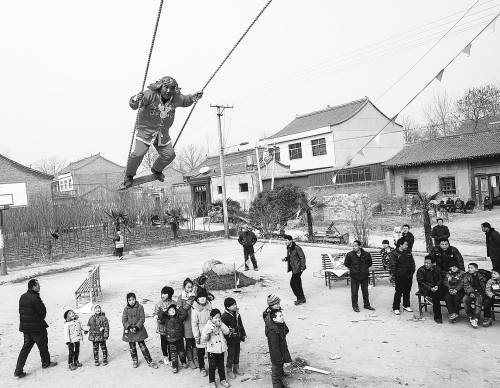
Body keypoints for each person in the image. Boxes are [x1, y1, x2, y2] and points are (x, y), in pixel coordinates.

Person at [124, 76, 203, 188]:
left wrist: (194, 97)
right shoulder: (150, 94)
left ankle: (157, 170)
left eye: (171, 88)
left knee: (169, 155)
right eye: (166, 87)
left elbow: (185, 100)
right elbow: (134, 105)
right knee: (138, 153)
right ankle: (129, 176)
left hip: (162, 133)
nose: (168, 91)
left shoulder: (175, 98)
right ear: (160, 86)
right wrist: (136, 98)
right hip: (146, 130)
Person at [14, 279, 57, 378]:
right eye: (38, 285)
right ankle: (46, 363)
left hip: (26, 328)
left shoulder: (22, 296)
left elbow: (22, 312)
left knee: (25, 349)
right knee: (43, 345)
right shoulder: (35, 298)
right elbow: (42, 312)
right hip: (37, 327)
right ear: (33, 286)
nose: (39, 287)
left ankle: (18, 370)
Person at [122, 292, 158, 368]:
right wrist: (129, 327)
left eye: (133, 299)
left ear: (135, 299)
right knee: (132, 347)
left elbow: (142, 318)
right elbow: (124, 320)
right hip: (129, 331)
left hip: (139, 330)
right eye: (130, 300)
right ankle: (135, 360)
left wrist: (136, 327)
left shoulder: (140, 307)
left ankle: (149, 361)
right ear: (127, 301)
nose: (132, 301)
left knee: (143, 346)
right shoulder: (126, 309)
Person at [202, 309, 231, 388]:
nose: (218, 319)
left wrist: (221, 324)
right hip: (212, 350)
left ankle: (223, 379)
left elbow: (227, 332)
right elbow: (204, 339)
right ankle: (212, 381)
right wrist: (208, 332)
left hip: (221, 349)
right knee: (212, 366)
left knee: (221, 365)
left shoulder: (221, 324)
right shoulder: (208, 326)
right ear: (211, 318)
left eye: (219, 317)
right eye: (216, 317)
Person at [344, 240, 375, 312]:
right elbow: (346, 264)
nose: (354, 247)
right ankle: (355, 306)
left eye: (355, 246)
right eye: (353, 246)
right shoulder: (349, 254)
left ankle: (367, 305)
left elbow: (370, 263)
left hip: (364, 276)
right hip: (354, 276)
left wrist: (364, 268)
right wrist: (353, 269)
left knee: (365, 292)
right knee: (354, 292)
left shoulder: (366, 254)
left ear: (360, 246)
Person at [265, 309, 292, 388]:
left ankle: (281, 386)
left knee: (279, 373)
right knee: (276, 375)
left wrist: (283, 323)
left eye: (282, 315)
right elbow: (275, 348)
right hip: (277, 357)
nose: (282, 317)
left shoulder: (279, 325)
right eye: (280, 316)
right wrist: (279, 359)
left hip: (281, 354)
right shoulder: (273, 331)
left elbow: (286, 331)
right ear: (274, 319)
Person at [158, 304, 188, 373]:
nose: (172, 311)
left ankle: (183, 362)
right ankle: (175, 366)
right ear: (167, 312)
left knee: (182, 352)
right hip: (170, 340)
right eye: (170, 310)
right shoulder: (166, 319)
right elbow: (160, 317)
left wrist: (180, 307)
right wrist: (163, 311)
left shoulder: (179, 317)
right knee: (173, 354)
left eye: (173, 310)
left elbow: (185, 314)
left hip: (179, 338)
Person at [221, 297, 247, 379]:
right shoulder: (224, 317)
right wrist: (227, 337)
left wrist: (243, 334)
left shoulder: (237, 314)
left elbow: (240, 325)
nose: (235, 306)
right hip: (230, 340)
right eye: (232, 305)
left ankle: (236, 368)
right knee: (231, 355)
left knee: (237, 353)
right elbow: (223, 330)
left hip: (238, 338)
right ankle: (229, 370)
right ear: (227, 307)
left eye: (235, 304)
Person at [389, 238, 415, 315]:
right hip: (399, 276)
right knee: (399, 292)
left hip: (408, 276)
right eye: (406, 244)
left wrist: (411, 273)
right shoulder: (394, 253)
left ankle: (406, 305)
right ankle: (396, 307)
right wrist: (397, 274)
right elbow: (392, 266)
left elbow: (412, 264)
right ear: (400, 244)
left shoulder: (408, 252)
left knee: (407, 291)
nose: (407, 246)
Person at [191, 287, 212, 377]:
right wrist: (196, 336)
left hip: (210, 331)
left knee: (211, 350)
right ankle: (202, 367)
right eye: (200, 297)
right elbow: (194, 324)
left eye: (204, 297)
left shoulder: (209, 307)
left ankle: (212, 365)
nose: (203, 299)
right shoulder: (195, 310)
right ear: (197, 299)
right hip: (200, 332)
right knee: (201, 351)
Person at [177, 278, 197, 369]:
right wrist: (189, 301)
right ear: (184, 287)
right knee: (189, 342)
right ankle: (190, 360)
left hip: (196, 321)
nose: (190, 289)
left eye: (191, 287)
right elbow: (181, 311)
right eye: (188, 287)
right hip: (187, 323)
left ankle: (195, 358)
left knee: (196, 341)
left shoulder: (195, 295)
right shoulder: (180, 297)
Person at [416, 257, 443, 323]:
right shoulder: (421, 270)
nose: (426, 264)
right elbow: (421, 282)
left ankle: (453, 313)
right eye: (425, 262)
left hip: (435, 287)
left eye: (428, 263)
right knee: (436, 296)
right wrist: (430, 288)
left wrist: (437, 286)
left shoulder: (437, 269)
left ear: (433, 263)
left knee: (447, 293)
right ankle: (438, 317)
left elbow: (440, 279)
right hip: (425, 289)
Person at [282, 235, 307, 305]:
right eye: (284, 240)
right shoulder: (289, 248)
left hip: (298, 268)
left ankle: (299, 298)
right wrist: (286, 259)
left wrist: (302, 267)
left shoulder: (297, 248)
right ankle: (302, 298)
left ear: (291, 240)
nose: (285, 242)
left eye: (286, 240)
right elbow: (291, 257)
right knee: (298, 283)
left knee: (292, 283)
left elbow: (302, 257)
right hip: (294, 268)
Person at [462, 263, 488, 329]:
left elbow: (484, 286)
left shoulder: (481, 276)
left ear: (476, 269)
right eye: (469, 268)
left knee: (478, 302)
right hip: (470, 292)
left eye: (471, 268)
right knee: (465, 300)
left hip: (480, 292)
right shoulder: (466, 276)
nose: (469, 269)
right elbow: (466, 285)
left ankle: (476, 318)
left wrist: (482, 293)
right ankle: (470, 315)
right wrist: (470, 292)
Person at [153, 286, 174, 366]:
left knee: (171, 342)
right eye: (162, 293)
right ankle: (165, 356)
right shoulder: (158, 304)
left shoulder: (173, 303)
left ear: (169, 295)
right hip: (162, 327)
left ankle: (172, 357)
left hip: (171, 327)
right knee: (164, 342)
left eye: (165, 293)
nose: (163, 295)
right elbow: (155, 313)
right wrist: (157, 317)